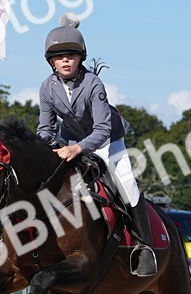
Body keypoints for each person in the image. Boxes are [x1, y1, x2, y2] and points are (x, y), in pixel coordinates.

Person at [36, 15, 157, 277]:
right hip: (70, 140)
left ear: (80, 58)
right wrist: (43, 146)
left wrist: (77, 149)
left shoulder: (93, 83)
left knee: (126, 183)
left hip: (107, 140)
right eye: (59, 57)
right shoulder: (46, 88)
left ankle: (145, 247)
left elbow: (101, 130)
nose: (65, 61)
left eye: (70, 56)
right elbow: (45, 128)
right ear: (51, 62)